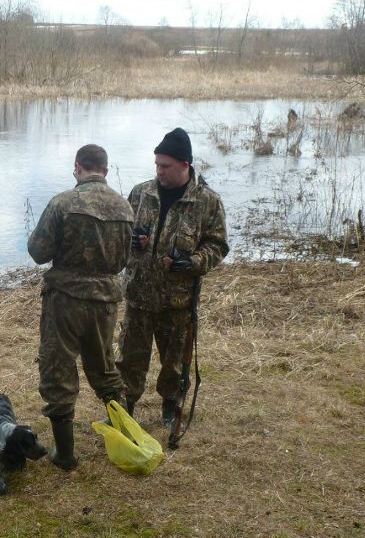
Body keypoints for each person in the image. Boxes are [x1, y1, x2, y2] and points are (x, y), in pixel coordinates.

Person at [28, 144, 134, 470]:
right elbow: (128, 258)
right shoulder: (125, 208)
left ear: (78, 167)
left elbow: (37, 251)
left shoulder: (63, 203)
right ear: (105, 168)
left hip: (66, 301)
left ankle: (65, 455)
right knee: (104, 369)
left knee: (58, 369)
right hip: (105, 301)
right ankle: (126, 437)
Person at [118, 127, 229, 427]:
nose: (159, 172)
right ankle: (125, 407)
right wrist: (132, 241)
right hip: (139, 295)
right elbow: (124, 232)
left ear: (185, 165)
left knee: (174, 363)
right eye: (156, 165)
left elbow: (218, 245)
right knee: (130, 358)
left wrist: (191, 261)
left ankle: (171, 406)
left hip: (177, 301)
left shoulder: (207, 201)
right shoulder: (141, 193)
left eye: (165, 166)